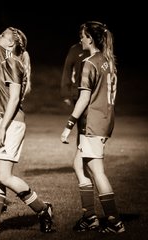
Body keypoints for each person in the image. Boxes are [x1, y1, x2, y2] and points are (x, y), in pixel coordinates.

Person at [0, 27, 54, 233]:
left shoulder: (13, 62)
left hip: (10, 123)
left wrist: (2, 128)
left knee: (4, 176)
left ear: (11, 44)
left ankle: (43, 210)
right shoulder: (0, 60)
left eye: (2, 35)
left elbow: (13, 98)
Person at [60, 21, 125, 234]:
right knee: (78, 165)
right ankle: (90, 217)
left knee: (97, 172)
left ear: (90, 38)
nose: (81, 39)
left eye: (83, 35)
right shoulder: (108, 60)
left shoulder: (90, 62)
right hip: (105, 121)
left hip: (92, 123)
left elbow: (83, 99)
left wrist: (68, 125)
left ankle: (115, 222)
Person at [60, 42, 90, 107]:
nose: (82, 39)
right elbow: (67, 70)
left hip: (93, 93)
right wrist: (66, 93)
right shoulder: (75, 50)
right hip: (78, 92)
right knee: (81, 115)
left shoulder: (98, 50)